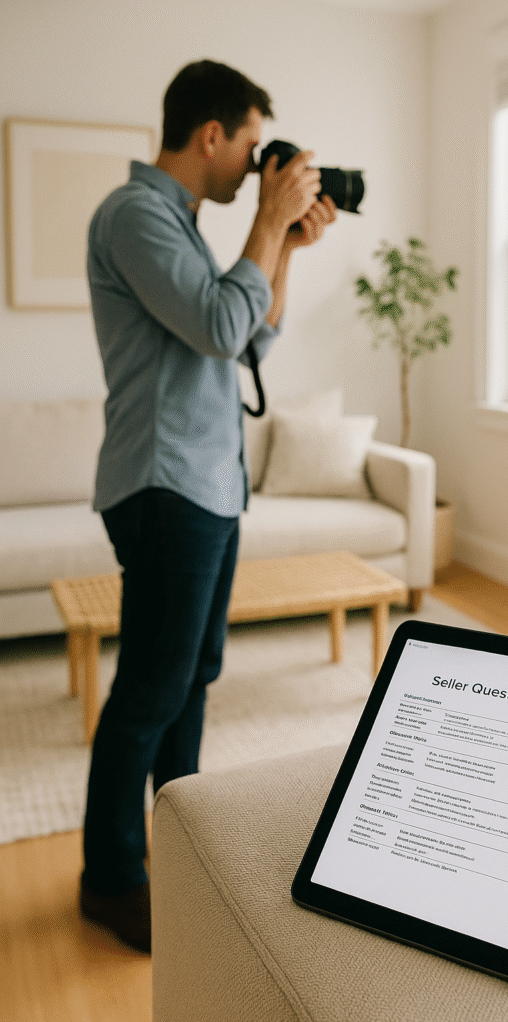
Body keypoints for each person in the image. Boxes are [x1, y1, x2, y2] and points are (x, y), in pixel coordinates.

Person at [80, 60, 336, 953]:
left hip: (208, 486)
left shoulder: (184, 227)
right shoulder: (134, 216)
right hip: (163, 487)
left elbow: (251, 333)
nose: (255, 168)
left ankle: (177, 847)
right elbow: (222, 326)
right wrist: (264, 224)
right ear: (213, 134)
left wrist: (286, 247)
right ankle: (109, 879)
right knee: (151, 689)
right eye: (252, 143)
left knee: (192, 681)